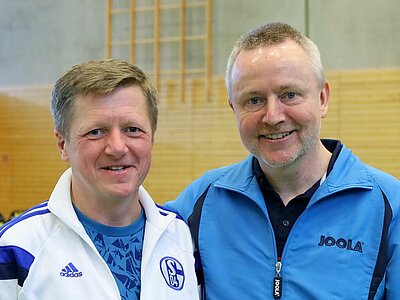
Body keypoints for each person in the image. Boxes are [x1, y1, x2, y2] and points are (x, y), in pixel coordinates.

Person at [165, 22, 400, 299]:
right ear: (233, 108)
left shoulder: (390, 206)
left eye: (289, 95)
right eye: (253, 100)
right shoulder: (199, 202)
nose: (273, 116)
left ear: (322, 98)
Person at [0, 59, 199, 300]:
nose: (117, 147)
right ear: (63, 145)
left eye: (133, 129)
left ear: (152, 139)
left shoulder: (182, 239)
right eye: (96, 131)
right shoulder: (16, 249)